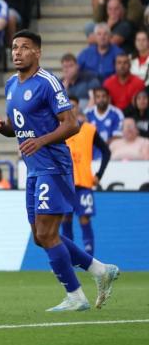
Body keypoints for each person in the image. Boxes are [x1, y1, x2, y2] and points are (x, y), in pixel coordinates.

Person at [0, 30, 119, 312]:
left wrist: (42, 140)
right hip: (34, 168)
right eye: (14, 47)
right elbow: (19, 127)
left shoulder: (48, 82)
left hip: (54, 166)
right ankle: (99, 270)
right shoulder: (12, 84)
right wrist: (3, 128)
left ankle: (75, 296)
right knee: (40, 235)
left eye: (24, 47)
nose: (17, 52)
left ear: (37, 52)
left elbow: (71, 124)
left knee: (48, 234)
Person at [63, 96, 111, 256]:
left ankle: (90, 257)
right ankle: (68, 257)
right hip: (64, 183)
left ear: (78, 108)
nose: (71, 109)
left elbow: (106, 151)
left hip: (83, 182)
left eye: (74, 106)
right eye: (68, 106)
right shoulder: (58, 129)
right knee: (65, 220)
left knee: (84, 219)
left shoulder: (89, 129)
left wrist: (99, 174)